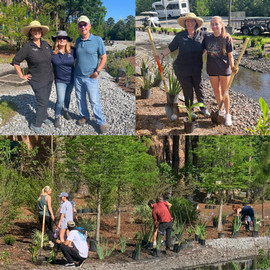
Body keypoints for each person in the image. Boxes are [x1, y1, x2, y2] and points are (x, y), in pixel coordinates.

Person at [156, 13, 209, 117]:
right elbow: (171, 48)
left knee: (199, 88)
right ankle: (191, 110)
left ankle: (203, 108)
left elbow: (207, 46)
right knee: (187, 90)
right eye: (188, 21)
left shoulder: (202, 35)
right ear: (185, 23)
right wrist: (161, 55)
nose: (190, 23)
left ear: (196, 23)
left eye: (192, 21)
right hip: (182, 68)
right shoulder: (180, 36)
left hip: (197, 68)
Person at [11, 21, 53, 134]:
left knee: (46, 99)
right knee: (43, 102)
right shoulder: (27, 47)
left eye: (38, 29)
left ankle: (44, 117)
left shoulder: (46, 45)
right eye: (34, 30)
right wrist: (21, 75)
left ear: (41, 32)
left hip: (49, 78)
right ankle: (35, 124)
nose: (36, 32)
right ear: (30, 32)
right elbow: (16, 61)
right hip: (37, 80)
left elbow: (53, 56)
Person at [74, 15, 107, 134]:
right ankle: (85, 116)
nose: (83, 27)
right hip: (78, 76)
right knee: (80, 99)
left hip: (91, 77)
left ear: (89, 26)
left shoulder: (97, 40)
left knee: (94, 100)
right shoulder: (77, 40)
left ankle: (100, 121)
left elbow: (103, 57)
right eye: (80, 25)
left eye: (85, 24)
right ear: (78, 27)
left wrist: (97, 71)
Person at [205, 16, 238, 126]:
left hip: (224, 69)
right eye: (212, 24)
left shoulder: (227, 38)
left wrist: (233, 67)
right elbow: (203, 50)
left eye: (216, 24)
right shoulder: (208, 37)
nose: (214, 26)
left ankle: (228, 114)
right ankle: (221, 110)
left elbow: (230, 55)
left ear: (221, 25)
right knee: (216, 91)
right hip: (212, 68)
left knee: (225, 92)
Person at [51, 31, 75, 128]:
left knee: (67, 97)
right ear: (56, 40)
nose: (62, 40)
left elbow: (85, 55)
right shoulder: (52, 52)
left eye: (64, 38)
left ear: (67, 40)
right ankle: (57, 116)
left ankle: (66, 111)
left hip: (71, 79)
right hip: (60, 80)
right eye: (60, 38)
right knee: (60, 99)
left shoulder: (72, 51)